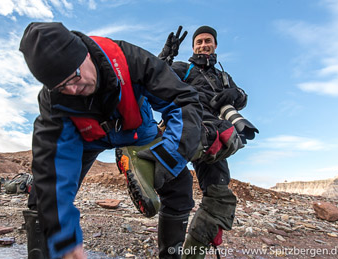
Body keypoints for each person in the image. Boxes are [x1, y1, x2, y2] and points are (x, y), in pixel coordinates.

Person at [19, 22, 203, 259]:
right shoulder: (54, 101)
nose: (73, 90)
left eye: (74, 76)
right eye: (61, 86)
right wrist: (66, 242)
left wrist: (168, 157)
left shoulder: (130, 59)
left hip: (138, 132)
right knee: (43, 199)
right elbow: (52, 170)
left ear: (84, 53)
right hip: (90, 139)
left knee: (179, 187)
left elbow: (183, 101)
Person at [158, 25, 248, 258]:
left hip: (215, 135)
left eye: (207, 40)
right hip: (189, 126)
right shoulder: (184, 69)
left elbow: (243, 98)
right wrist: (167, 54)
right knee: (177, 191)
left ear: (215, 45)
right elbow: (155, 75)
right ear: (193, 47)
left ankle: (191, 255)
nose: (203, 45)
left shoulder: (223, 77)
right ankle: (147, 161)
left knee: (220, 199)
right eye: (198, 42)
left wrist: (233, 95)